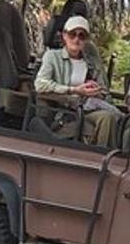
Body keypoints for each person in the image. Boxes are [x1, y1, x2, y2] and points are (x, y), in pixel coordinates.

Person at [34, 16, 122, 147]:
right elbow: (40, 84)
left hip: (90, 108)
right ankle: (98, 158)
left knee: (117, 119)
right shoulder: (53, 56)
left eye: (81, 36)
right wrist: (74, 90)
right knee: (107, 118)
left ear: (86, 40)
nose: (76, 39)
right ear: (64, 35)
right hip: (65, 111)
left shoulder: (92, 62)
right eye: (72, 34)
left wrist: (97, 93)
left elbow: (105, 92)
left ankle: (108, 158)